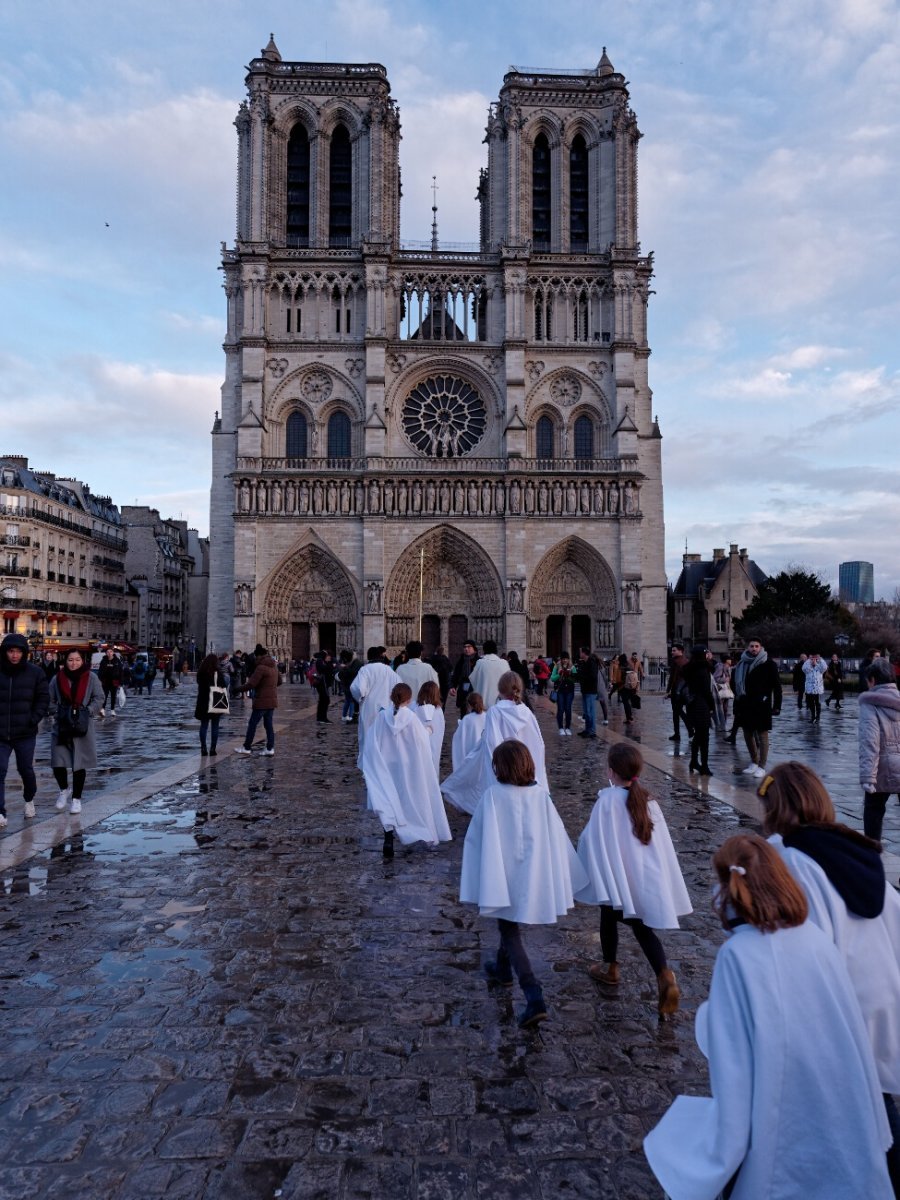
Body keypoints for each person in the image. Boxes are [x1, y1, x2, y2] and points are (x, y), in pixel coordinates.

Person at [644, 832, 893, 1200]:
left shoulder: (739, 955)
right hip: (838, 1108)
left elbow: (733, 1062)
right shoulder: (816, 940)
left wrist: (717, 1155)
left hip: (781, 1115)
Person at [759, 761, 900, 1189]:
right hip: (878, 1005)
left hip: (835, 1014)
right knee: (879, 1110)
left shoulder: (792, 864)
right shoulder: (863, 855)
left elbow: (797, 954)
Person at [459, 739, 588, 1028]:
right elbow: (556, 835)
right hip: (531, 871)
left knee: (509, 928)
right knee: (509, 924)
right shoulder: (540, 796)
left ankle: (533, 994)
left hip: (502, 871)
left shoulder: (493, 796)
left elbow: (478, 837)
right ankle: (502, 969)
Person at [576, 741, 691, 1015]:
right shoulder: (649, 801)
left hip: (618, 876)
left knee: (611, 910)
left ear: (612, 772)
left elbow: (592, 840)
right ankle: (660, 974)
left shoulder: (607, 802)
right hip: (644, 878)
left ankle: (613, 966)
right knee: (639, 925)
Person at [361, 682, 452, 860]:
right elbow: (421, 742)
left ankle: (388, 835)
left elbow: (372, 740)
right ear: (409, 699)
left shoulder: (382, 717)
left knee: (388, 799)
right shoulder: (411, 718)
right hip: (407, 766)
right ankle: (410, 827)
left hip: (387, 765)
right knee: (405, 797)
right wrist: (428, 730)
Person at [442, 671, 548, 815]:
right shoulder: (527, 713)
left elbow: (491, 743)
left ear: (500, 689)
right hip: (525, 768)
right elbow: (538, 744)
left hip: (503, 768)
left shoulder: (495, 712)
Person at [0, 632, 50, 826]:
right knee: (0, 770)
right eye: (11, 651)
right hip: (1, 733)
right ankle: (1, 812)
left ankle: (29, 799)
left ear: (24, 653)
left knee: (26, 769)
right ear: (4, 652)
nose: (14, 655)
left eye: (18, 652)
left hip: (25, 732)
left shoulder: (35, 673)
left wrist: (33, 719)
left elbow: (43, 699)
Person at [49, 648, 104, 816]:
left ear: (82, 661)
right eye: (71, 660)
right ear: (66, 662)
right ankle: (64, 790)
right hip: (62, 725)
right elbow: (48, 699)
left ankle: (76, 799)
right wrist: (58, 711)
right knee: (57, 761)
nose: (74, 663)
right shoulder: (57, 678)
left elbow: (99, 697)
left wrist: (87, 711)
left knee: (79, 763)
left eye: (77, 660)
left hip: (82, 726)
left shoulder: (91, 678)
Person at [858, 656, 900, 842]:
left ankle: (872, 857)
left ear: (872, 680)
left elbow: (870, 742)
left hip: (882, 768)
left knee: (873, 811)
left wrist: (868, 777)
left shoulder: (870, 703)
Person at [731, 637, 781, 778]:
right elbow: (734, 683)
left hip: (762, 704)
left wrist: (777, 705)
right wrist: (738, 699)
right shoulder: (742, 664)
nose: (754, 649)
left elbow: (777, 686)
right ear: (748, 647)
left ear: (761, 647)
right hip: (746, 703)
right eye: (751, 646)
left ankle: (762, 765)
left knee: (762, 734)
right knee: (747, 733)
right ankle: (754, 761)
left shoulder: (768, 663)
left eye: (756, 646)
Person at [350, 647, 402, 770]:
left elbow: (358, 689)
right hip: (386, 708)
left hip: (369, 708)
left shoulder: (365, 670)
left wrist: (360, 698)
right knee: (384, 738)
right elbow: (400, 687)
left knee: (368, 736)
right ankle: (383, 764)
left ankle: (368, 766)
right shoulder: (389, 671)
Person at [233, 643, 281, 756]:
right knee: (269, 725)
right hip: (272, 701)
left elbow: (251, 684)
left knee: (252, 724)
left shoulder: (261, 668)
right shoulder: (274, 665)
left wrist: (237, 689)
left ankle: (247, 747)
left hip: (261, 701)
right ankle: (270, 748)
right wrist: (270, 687)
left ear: (258, 656)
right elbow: (279, 682)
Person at [681, 646, 715, 775]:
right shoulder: (702, 669)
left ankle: (694, 761)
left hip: (692, 705)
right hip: (702, 705)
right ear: (702, 655)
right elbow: (707, 691)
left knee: (699, 735)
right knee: (704, 736)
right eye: (707, 653)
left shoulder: (690, 668)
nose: (708, 655)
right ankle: (704, 765)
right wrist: (712, 706)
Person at [411, 680, 445, 781]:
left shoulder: (414, 707)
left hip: (417, 744)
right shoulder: (438, 710)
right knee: (432, 763)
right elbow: (440, 729)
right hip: (433, 745)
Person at [194, 653, 227, 756]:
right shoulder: (217, 672)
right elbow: (224, 685)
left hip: (203, 701)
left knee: (204, 725)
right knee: (215, 726)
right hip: (215, 701)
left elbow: (199, 684)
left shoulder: (201, 673)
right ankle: (213, 749)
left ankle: (203, 748)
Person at [451, 691, 486, 771]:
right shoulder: (487, 716)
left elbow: (458, 739)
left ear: (469, 705)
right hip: (483, 756)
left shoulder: (467, 719)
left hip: (470, 754)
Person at [469, 639, 507, 708]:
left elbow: (472, 679)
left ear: (484, 650)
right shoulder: (504, 663)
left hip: (483, 703)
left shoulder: (480, 663)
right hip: (500, 704)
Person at [665, 643, 692, 742]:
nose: (672, 652)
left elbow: (672, 678)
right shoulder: (686, 661)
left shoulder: (676, 662)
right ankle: (678, 733)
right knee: (677, 712)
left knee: (677, 712)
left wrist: (668, 691)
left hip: (677, 691)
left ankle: (687, 729)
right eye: (672, 650)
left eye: (674, 650)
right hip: (684, 690)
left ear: (681, 651)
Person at [576, 647, 601, 737]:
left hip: (590, 690)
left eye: (580, 652)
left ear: (584, 653)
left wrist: (583, 676)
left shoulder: (592, 662)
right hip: (585, 690)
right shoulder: (584, 663)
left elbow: (593, 676)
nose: (579, 654)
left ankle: (592, 731)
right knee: (586, 712)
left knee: (591, 711)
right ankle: (587, 729)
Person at [550, 652, 577, 736]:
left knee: (568, 709)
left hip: (569, 691)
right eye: (563, 659)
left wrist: (569, 675)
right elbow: (552, 678)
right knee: (561, 709)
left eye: (566, 659)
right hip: (560, 691)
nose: (565, 660)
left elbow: (575, 679)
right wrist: (559, 674)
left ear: (568, 659)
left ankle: (568, 727)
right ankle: (561, 728)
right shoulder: (557, 666)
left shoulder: (572, 667)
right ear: (561, 659)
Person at [449, 640, 479, 714]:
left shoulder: (479, 661)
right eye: (465, 647)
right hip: (463, 689)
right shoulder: (461, 661)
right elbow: (456, 675)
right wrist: (453, 686)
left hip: (475, 689)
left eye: (469, 647)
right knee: (463, 710)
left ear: (474, 648)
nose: (466, 649)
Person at [97, 647, 123, 717]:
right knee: (104, 696)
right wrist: (100, 680)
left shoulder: (117, 661)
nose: (109, 653)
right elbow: (100, 672)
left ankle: (112, 710)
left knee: (113, 697)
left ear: (113, 653)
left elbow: (121, 672)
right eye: (107, 652)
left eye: (110, 652)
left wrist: (120, 682)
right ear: (106, 653)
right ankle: (102, 709)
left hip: (114, 682)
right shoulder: (103, 661)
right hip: (105, 682)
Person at [337, 650, 362, 723]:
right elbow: (351, 672)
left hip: (347, 684)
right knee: (351, 701)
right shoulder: (351, 663)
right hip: (349, 685)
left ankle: (345, 716)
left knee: (348, 701)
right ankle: (350, 716)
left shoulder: (350, 663)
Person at [802, 651, 826, 722]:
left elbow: (824, 667)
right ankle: (813, 717)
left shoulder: (820, 667)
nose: (814, 660)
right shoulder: (808, 667)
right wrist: (809, 660)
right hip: (810, 689)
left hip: (818, 689)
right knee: (811, 704)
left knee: (818, 703)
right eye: (812, 658)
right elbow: (803, 669)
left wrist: (820, 659)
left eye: (815, 658)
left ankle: (818, 717)